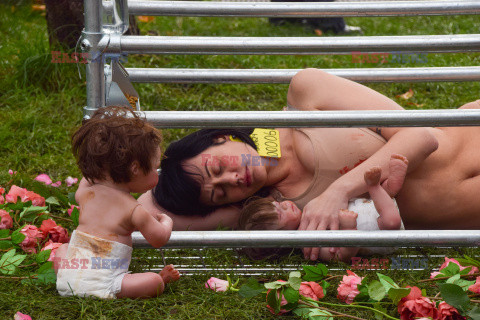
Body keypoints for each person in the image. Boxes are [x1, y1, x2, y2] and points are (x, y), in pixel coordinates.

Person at [139, 68, 480, 261]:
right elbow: (151, 212)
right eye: (221, 193)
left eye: (216, 168)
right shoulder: (269, 206)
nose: (233, 178)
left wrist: (338, 191)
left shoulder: (307, 94)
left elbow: (420, 136)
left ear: (219, 137)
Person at [55, 106, 180, 299]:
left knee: (63, 249)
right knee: (153, 282)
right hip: (106, 282)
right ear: (135, 168)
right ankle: (161, 279)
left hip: (69, 277)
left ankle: (67, 278)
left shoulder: (86, 192)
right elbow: (158, 239)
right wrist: (166, 221)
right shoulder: (133, 209)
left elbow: (88, 176)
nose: (157, 173)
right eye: (155, 168)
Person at [239, 155, 407, 262]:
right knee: (391, 222)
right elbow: (343, 255)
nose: (284, 204)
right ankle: (375, 187)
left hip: (374, 208)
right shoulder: (311, 245)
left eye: (276, 203)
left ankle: (388, 189)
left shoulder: (309, 212)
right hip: (380, 231)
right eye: (281, 213)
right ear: (283, 239)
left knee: (379, 201)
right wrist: (348, 228)